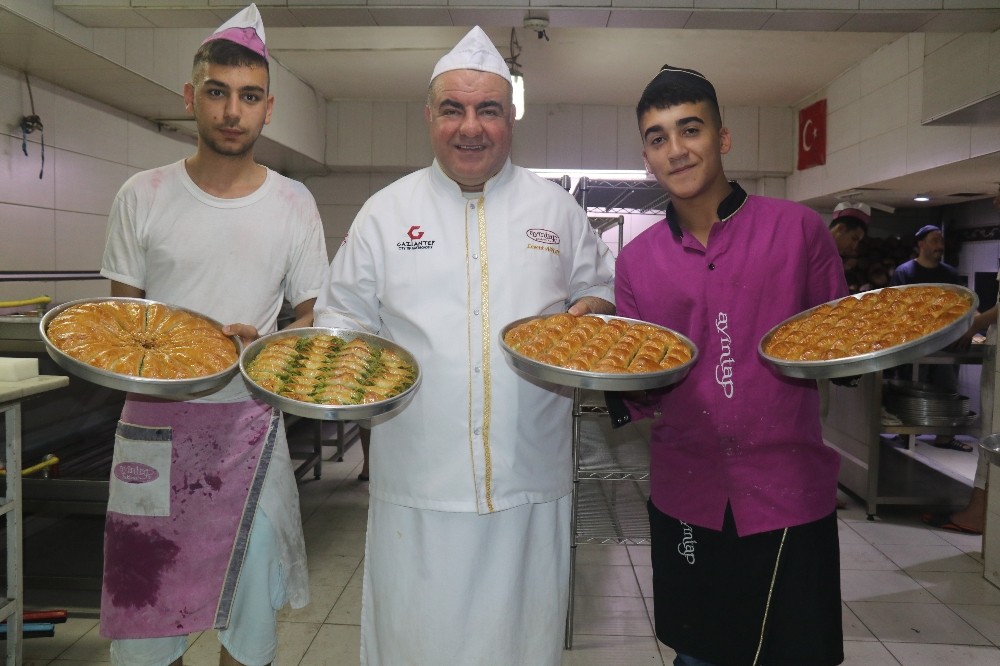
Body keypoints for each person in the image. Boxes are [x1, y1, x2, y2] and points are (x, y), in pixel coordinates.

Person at [314, 26, 615, 665]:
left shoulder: (556, 211)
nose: (470, 127)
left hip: (530, 481)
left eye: (489, 110)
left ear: (512, 118)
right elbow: (339, 320)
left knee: (523, 644)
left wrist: (590, 313)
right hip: (418, 486)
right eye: (453, 109)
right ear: (430, 116)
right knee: (418, 643)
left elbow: (599, 291)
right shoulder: (385, 214)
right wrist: (333, 358)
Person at [98, 5, 328, 665]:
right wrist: (181, 348)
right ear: (191, 97)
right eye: (219, 93)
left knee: (248, 628)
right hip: (155, 432)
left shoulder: (292, 205)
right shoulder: (143, 195)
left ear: (268, 108)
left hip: (247, 432)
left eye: (248, 96)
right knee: (149, 621)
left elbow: (309, 322)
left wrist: (264, 347)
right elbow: (122, 330)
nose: (233, 110)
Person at [610, 64, 847, 666]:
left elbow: (839, 343)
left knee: (796, 652)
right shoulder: (636, 263)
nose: (676, 150)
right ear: (646, 155)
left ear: (723, 137)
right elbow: (643, 391)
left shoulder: (798, 231)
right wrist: (596, 360)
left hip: (788, 489)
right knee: (700, 655)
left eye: (690, 129)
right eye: (657, 137)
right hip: (687, 492)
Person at [890, 225, 973, 451]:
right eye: (934, 241)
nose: (939, 246)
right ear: (921, 244)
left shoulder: (949, 274)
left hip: (945, 341)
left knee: (946, 387)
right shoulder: (905, 272)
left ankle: (944, 436)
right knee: (911, 386)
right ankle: (906, 434)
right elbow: (897, 308)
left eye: (941, 241)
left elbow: (961, 305)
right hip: (912, 342)